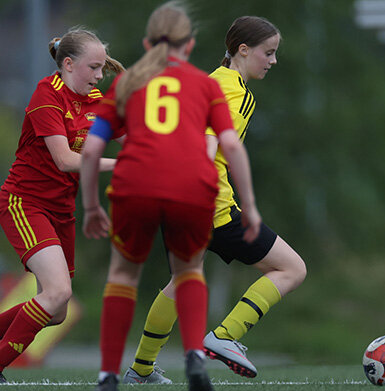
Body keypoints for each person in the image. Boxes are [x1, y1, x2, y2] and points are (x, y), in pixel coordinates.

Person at [79, 3, 262, 391]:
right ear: (190, 44)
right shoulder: (206, 84)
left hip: (133, 185)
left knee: (123, 276)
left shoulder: (126, 84)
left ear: (147, 42)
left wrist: (92, 206)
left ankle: (109, 375)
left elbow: (93, 150)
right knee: (189, 271)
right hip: (189, 187)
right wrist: (249, 204)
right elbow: (230, 145)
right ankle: (195, 358)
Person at [123, 16, 306, 384]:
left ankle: (141, 369)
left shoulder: (207, 80)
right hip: (209, 205)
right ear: (243, 50)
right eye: (268, 53)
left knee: (182, 281)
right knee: (291, 268)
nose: (272, 61)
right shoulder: (234, 89)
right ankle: (225, 337)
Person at [0, 28, 125, 384]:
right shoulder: (47, 94)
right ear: (67, 64)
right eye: (93, 68)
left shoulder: (94, 98)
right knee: (58, 292)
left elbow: (130, 132)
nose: (98, 76)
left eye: (101, 69)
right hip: (24, 203)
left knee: (57, 310)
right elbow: (65, 159)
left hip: (61, 211)